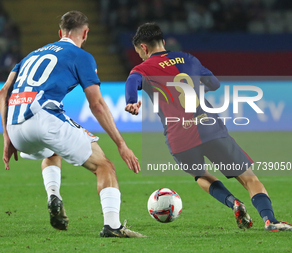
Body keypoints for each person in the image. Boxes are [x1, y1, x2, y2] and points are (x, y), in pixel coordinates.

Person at [124, 22, 292, 231]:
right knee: (249, 179)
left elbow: (132, 81)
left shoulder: (142, 68)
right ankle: (270, 221)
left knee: (200, 175)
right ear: (163, 42)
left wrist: (131, 100)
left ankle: (233, 202)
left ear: (144, 47)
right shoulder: (189, 59)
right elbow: (214, 83)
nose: (140, 56)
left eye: (139, 52)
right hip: (210, 127)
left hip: (179, 137)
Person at [0, 11, 145, 238]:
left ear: (60, 33)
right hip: (44, 117)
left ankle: (53, 194)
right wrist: (121, 144)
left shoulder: (30, 55)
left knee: (52, 147)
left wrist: (7, 137)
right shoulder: (81, 56)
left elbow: (3, 91)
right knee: (104, 166)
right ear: (85, 33)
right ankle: (113, 226)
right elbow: (96, 104)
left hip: (16, 127)